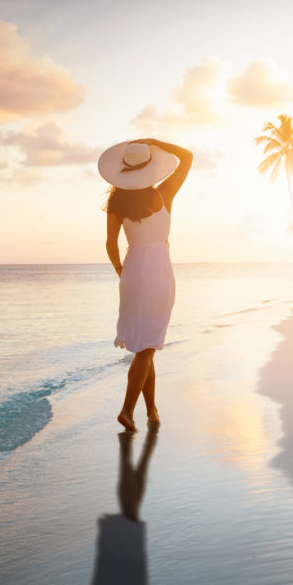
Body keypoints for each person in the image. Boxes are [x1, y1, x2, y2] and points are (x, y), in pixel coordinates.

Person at [99, 138, 193, 431]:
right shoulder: (165, 192)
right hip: (159, 272)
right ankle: (127, 410)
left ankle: (151, 410)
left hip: (132, 271)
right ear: (150, 168)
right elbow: (187, 156)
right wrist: (154, 142)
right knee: (148, 346)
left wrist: (121, 272)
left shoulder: (117, 202)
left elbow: (111, 244)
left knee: (144, 346)